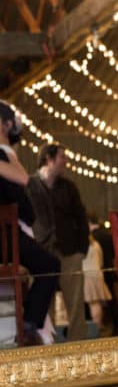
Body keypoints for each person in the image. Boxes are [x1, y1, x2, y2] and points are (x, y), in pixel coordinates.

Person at [0, 100, 59, 346]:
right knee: (49, 265)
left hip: (12, 232)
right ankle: (29, 324)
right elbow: (22, 180)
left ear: (8, 124)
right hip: (4, 234)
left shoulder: (6, 153)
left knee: (47, 265)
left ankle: (29, 324)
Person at [27, 144, 89, 342]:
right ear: (49, 159)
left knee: (76, 303)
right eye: (62, 157)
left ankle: (79, 346)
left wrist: (82, 250)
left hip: (69, 252)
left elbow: (81, 218)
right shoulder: (29, 185)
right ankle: (49, 347)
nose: (65, 162)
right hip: (41, 252)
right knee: (44, 304)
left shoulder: (69, 187)